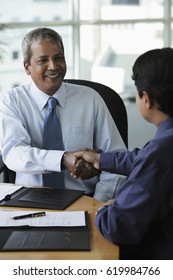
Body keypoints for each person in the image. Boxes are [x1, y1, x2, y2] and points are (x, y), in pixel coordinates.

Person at [0, 27, 126, 202]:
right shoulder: (12, 101)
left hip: (86, 199)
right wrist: (62, 159)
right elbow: (14, 154)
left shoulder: (90, 98)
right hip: (29, 201)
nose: (53, 66)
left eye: (58, 58)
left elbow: (116, 159)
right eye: (43, 60)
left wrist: (98, 203)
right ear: (27, 67)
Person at [71, 48, 173, 259]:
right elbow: (145, 159)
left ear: (147, 99)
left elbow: (118, 226)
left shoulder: (158, 155)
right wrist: (101, 159)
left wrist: (105, 209)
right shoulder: (163, 147)